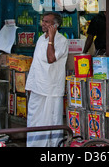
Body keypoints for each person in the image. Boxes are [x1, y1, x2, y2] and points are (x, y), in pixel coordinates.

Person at [25, 11, 69, 147]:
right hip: (37, 87)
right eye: (43, 21)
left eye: (47, 22)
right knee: (34, 120)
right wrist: (29, 85)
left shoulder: (61, 41)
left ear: (55, 25)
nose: (43, 24)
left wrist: (52, 38)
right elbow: (35, 65)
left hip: (51, 89)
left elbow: (51, 59)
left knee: (51, 123)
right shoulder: (40, 39)